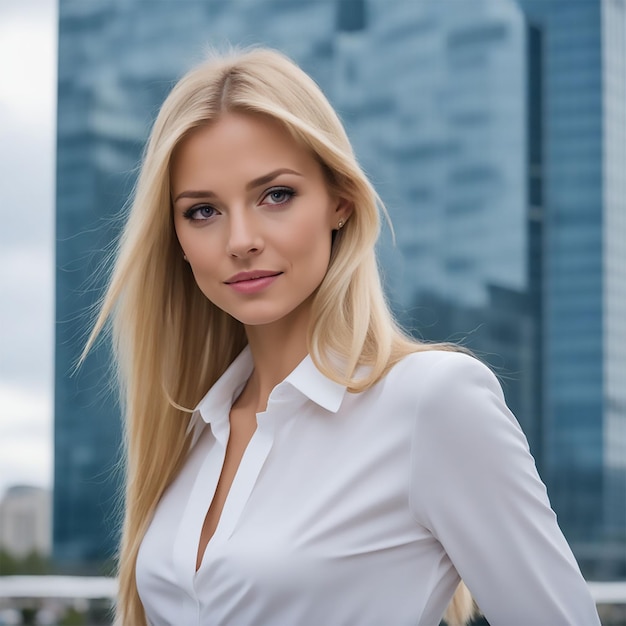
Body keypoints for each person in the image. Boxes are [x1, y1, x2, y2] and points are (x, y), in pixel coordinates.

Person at [86, 47, 600, 626]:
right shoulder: (190, 428)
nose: (241, 239)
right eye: (203, 210)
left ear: (340, 202)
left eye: (275, 195)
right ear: (175, 238)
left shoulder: (432, 402)